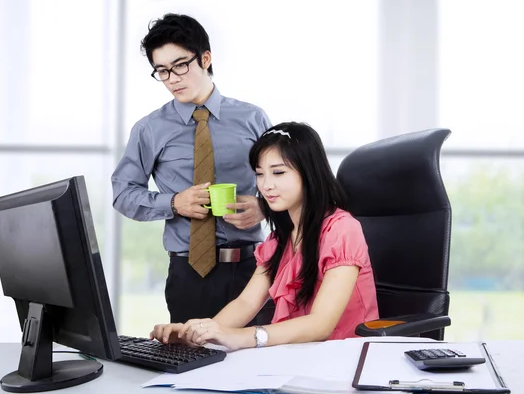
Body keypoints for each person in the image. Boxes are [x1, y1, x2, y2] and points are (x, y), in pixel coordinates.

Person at [150, 122, 379, 350]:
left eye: (278, 172)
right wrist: (196, 333)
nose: (266, 185)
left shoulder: (341, 230)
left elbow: (320, 325)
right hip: (296, 358)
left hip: (344, 359)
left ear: (309, 172)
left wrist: (240, 337)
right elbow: (246, 302)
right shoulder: (279, 240)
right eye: (260, 174)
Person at [111, 13, 272, 324]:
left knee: (258, 364)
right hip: (189, 274)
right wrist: (174, 202)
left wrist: (265, 207)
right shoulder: (150, 129)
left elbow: (289, 184)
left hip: (252, 270)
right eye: (162, 71)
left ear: (205, 58)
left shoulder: (253, 118)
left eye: (180, 65)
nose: (172, 79)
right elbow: (123, 193)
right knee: (191, 366)